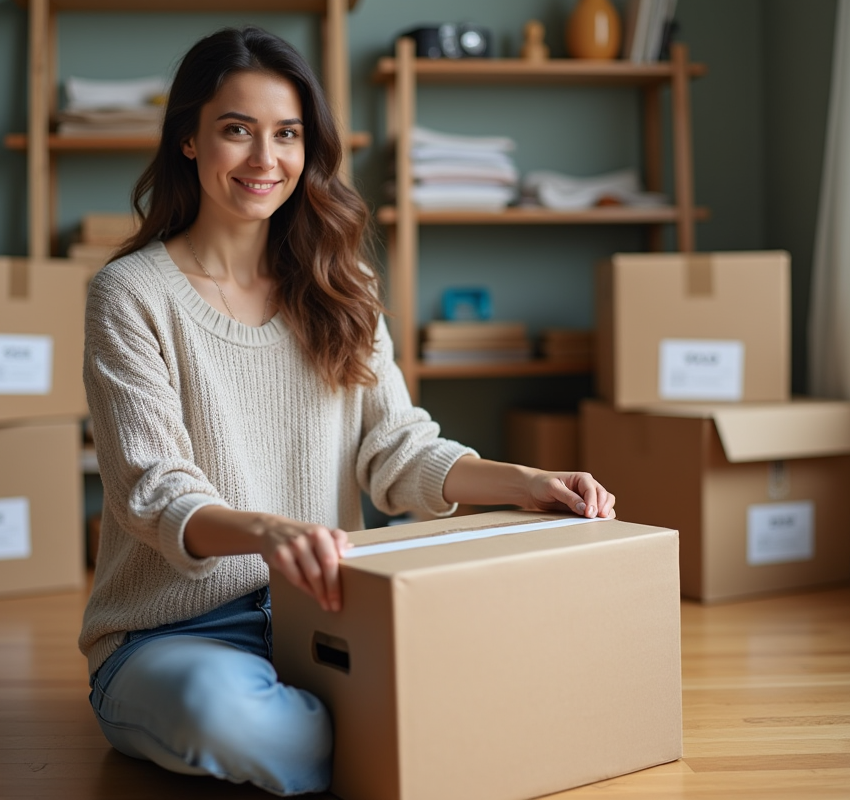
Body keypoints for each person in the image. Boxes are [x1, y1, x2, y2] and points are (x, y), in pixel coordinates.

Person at [79, 26, 617, 797]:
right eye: (238, 131)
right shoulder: (129, 295)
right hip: (172, 632)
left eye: (287, 135)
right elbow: (153, 492)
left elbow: (396, 451)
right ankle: (397, 730)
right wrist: (270, 533)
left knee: (506, 662)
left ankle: (376, 726)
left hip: (324, 616)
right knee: (234, 720)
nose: (267, 160)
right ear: (189, 141)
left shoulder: (342, 284)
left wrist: (526, 481)